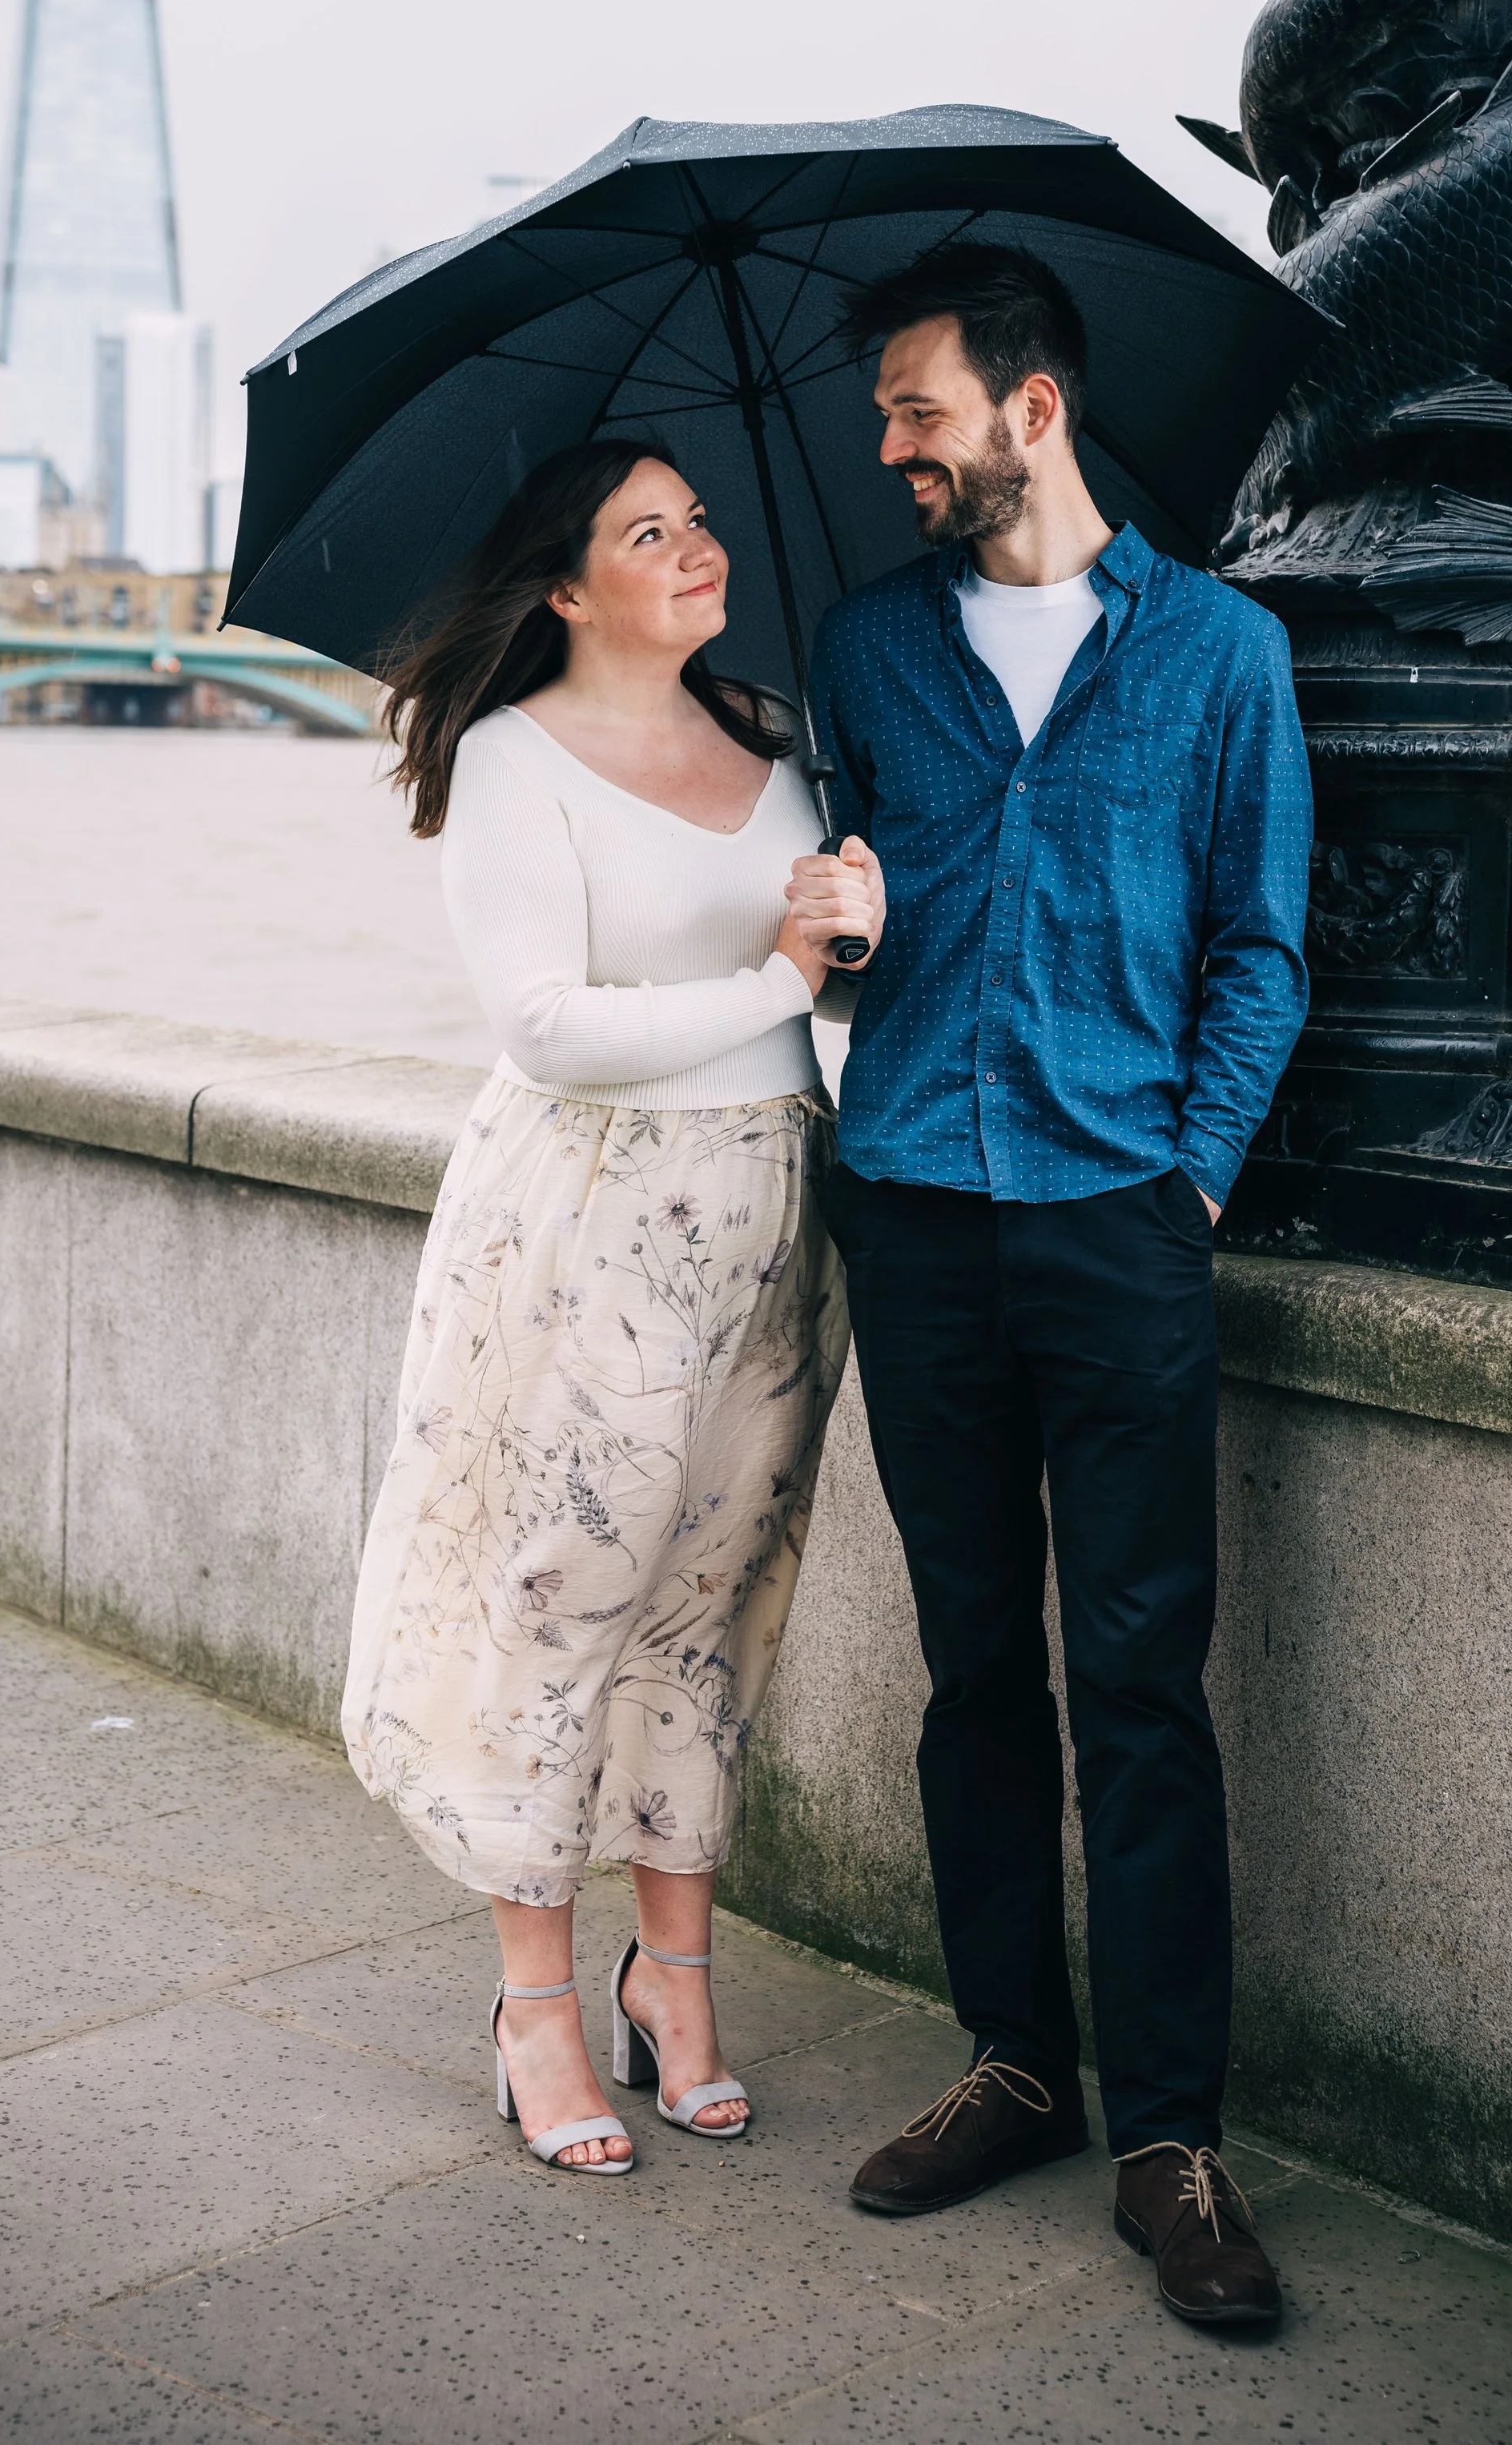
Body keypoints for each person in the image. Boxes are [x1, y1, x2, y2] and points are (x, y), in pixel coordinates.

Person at [794, 244, 1310, 2328]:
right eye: (881, 415)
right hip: (910, 1212)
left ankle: (1168, 2137)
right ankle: (1011, 2055)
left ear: (1031, 405)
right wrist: (828, 924)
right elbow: (849, 913)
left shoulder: (1220, 656)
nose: (889, 448)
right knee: (969, 1669)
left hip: (1116, 1223)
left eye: (915, 407)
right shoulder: (863, 649)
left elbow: (1255, 947)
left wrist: (1184, 1177)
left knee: (1139, 1685)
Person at [344, 436, 883, 2176]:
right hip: (589, 1227)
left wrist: (849, 932)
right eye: (649, 532)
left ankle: (678, 1982)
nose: (697, 548)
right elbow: (546, 1027)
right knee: (557, 1601)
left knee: (714, 1607)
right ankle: (534, 2014)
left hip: (772, 1215)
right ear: (567, 589)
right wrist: (774, 974)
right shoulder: (513, 761)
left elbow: (810, 1000)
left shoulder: (777, 740)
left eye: (700, 519)